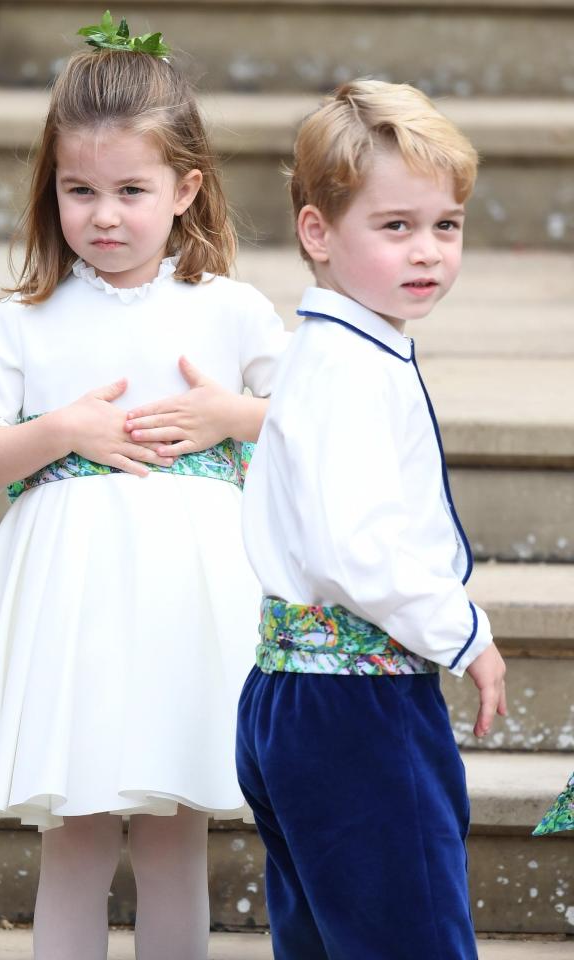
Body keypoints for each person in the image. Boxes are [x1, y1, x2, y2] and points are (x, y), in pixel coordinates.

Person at [0, 16, 287, 960]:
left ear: (186, 189)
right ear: (52, 189)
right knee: (72, 835)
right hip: (71, 612)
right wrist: (60, 430)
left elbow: (313, 424)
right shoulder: (26, 322)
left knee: (171, 836)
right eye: (79, 191)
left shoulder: (229, 309)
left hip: (187, 608)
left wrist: (229, 416)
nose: (103, 215)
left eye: (130, 191)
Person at [236, 79, 508, 960]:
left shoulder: (334, 349)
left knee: (325, 941)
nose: (427, 251)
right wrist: (461, 630)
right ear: (318, 232)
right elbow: (357, 546)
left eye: (446, 225)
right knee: (412, 938)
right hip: (360, 708)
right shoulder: (350, 367)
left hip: (294, 698)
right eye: (395, 227)